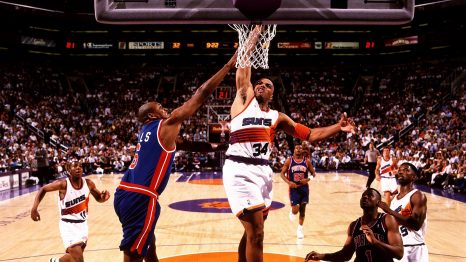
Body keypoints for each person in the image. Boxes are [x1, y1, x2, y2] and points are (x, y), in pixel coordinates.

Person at [222, 25, 356, 262]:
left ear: (273, 94)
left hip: (262, 172)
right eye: (259, 83)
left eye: (268, 85)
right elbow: (243, 63)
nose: (261, 85)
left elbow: (311, 134)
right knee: (258, 233)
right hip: (239, 169)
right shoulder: (243, 99)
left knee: (252, 229)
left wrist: (338, 127)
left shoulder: (277, 117)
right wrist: (254, 33)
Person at [113, 52, 237, 262]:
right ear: (152, 115)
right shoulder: (165, 124)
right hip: (141, 196)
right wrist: (228, 65)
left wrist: (221, 146)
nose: (166, 109)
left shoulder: (147, 132)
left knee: (150, 243)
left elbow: (188, 145)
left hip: (125, 193)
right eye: (160, 108)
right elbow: (202, 93)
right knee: (134, 254)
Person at [30, 160, 110, 262]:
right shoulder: (63, 184)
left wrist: (103, 198)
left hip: (83, 225)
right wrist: (34, 208)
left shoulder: (89, 183)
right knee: (79, 259)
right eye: (75, 166)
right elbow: (43, 189)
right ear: (68, 170)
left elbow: (99, 198)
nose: (78, 168)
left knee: (72, 258)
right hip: (68, 226)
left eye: (80, 166)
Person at [305, 188, 403, 262]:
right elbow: (345, 255)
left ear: (378, 202)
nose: (365, 197)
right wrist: (322, 256)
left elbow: (399, 253)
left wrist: (375, 242)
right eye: (363, 195)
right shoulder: (354, 226)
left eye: (370, 195)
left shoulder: (387, 220)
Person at [378, 163, 429, 262]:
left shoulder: (417, 196)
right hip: (398, 248)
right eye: (400, 169)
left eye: (406, 170)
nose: (401, 172)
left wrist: (389, 211)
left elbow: (415, 224)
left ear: (414, 177)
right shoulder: (394, 200)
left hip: (416, 248)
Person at [280, 144, 316, 239]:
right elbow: (282, 174)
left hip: (304, 188)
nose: (298, 149)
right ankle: (292, 212)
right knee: (296, 209)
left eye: (300, 148)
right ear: (294, 150)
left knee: (303, 209)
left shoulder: (307, 161)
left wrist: (308, 179)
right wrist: (288, 182)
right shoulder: (289, 161)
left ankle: (299, 229)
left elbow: (313, 174)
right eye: (296, 148)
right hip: (294, 188)